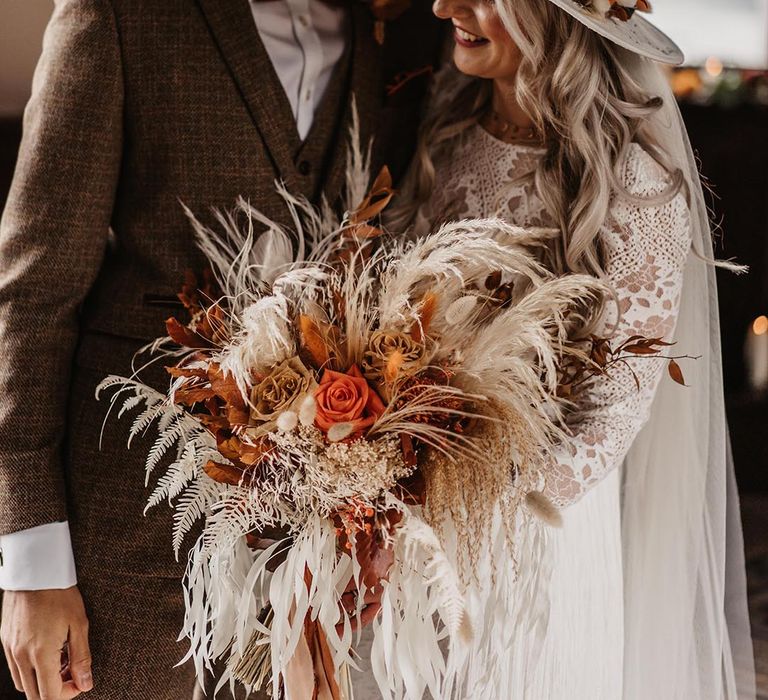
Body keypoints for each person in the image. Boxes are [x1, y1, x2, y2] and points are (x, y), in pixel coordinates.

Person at [0, 1, 443, 698]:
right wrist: (32, 561)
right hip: (126, 545)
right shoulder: (116, 15)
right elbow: (33, 294)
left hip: (295, 563)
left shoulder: (380, 31)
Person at [381, 0, 758, 697]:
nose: (445, 6)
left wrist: (471, 515)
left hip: (533, 545)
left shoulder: (632, 179)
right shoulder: (448, 127)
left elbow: (615, 407)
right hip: (407, 524)